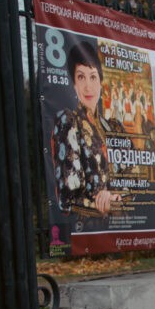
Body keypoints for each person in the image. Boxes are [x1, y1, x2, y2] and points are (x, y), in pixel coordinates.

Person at [49, 39, 121, 234]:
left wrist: (115, 199)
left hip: (121, 233)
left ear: (101, 81)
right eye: (81, 77)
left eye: (93, 77)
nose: (88, 86)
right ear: (74, 83)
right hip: (87, 233)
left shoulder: (111, 126)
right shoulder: (69, 121)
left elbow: (132, 181)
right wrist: (102, 202)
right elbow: (68, 199)